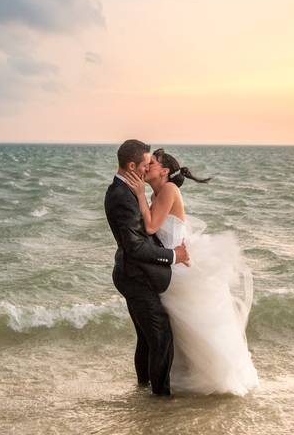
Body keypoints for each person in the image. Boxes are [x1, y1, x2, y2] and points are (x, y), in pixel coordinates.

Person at [120, 148, 259, 396]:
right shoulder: (158, 192)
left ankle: (180, 385)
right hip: (168, 263)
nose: (147, 166)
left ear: (163, 172)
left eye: (152, 163)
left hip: (177, 267)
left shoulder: (169, 190)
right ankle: (164, 381)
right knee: (166, 331)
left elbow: (151, 227)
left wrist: (140, 195)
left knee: (178, 329)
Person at [104, 140, 190, 396]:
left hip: (141, 274)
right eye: (145, 164)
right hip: (137, 275)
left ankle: (144, 390)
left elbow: (144, 233)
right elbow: (137, 246)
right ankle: (160, 400)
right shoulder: (123, 195)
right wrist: (173, 255)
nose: (146, 169)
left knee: (148, 337)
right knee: (160, 337)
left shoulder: (130, 190)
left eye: (151, 164)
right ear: (132, 166)